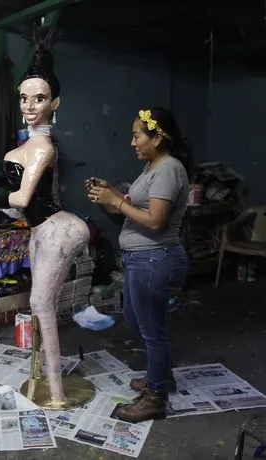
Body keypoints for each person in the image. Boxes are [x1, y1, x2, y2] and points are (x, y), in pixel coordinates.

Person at [0, 26, 90, 402]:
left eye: (39, 99)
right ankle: (42, 377)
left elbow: (22, 199)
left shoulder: (41, 147)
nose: (28, 106)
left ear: (55, 103)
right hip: (39, 231)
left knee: (40, 303)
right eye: (24, 98)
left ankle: (55, 393)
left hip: (58, 228)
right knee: (39, 303)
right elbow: (20, 185)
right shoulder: (25, 147)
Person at [86, 107, 191, 423]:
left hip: (155, 258)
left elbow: (156, 221)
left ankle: (156, 397)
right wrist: (113, 194)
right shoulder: (151, 168)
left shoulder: (168, 169)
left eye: (137, 135)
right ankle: (160, 375)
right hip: (142, 259)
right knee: (138, 318)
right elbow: (136, 206)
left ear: (157, 137)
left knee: (151, 330)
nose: (132, 142)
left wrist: (116, 201)